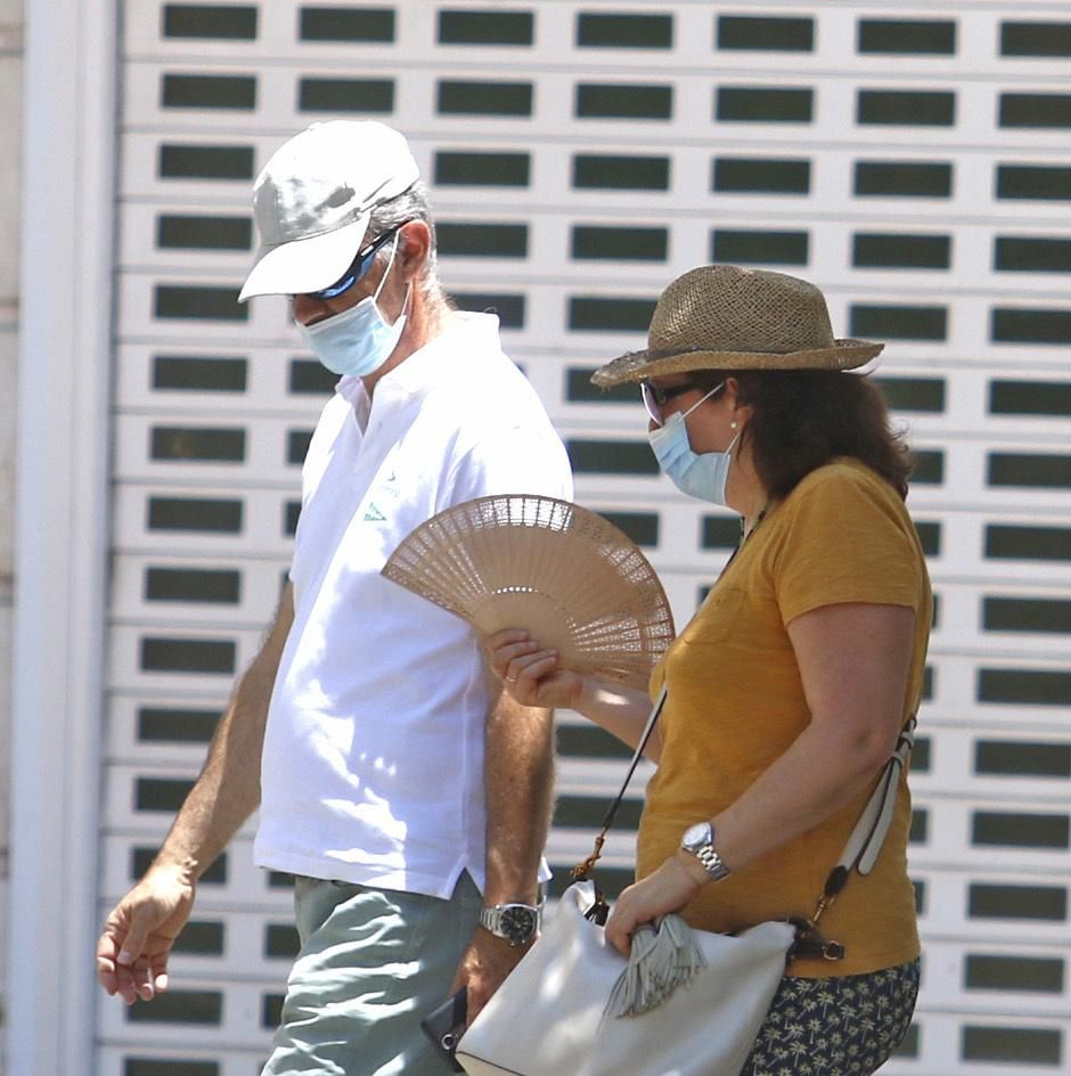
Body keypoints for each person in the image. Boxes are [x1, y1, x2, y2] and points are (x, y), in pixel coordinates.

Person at [95, 120, 572, 1073]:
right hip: (347, 884)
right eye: (297, 292)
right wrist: (181, 862)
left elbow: (528, 684)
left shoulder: (489, 423)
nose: (312, 314)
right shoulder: (348, 413)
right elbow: (288, 652)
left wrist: (510, 914)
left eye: (331, 284)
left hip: (419, 887)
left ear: (414, 248)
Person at [485, 264, 929, 1075]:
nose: (652, 422)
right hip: (731, 957)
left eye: (662, 397)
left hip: (799, 966)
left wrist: (685, 873)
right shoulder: (780, 518)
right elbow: (718, 746)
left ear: (735, 396)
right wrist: (580, 691)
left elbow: (855, 734)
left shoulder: (836, 507)